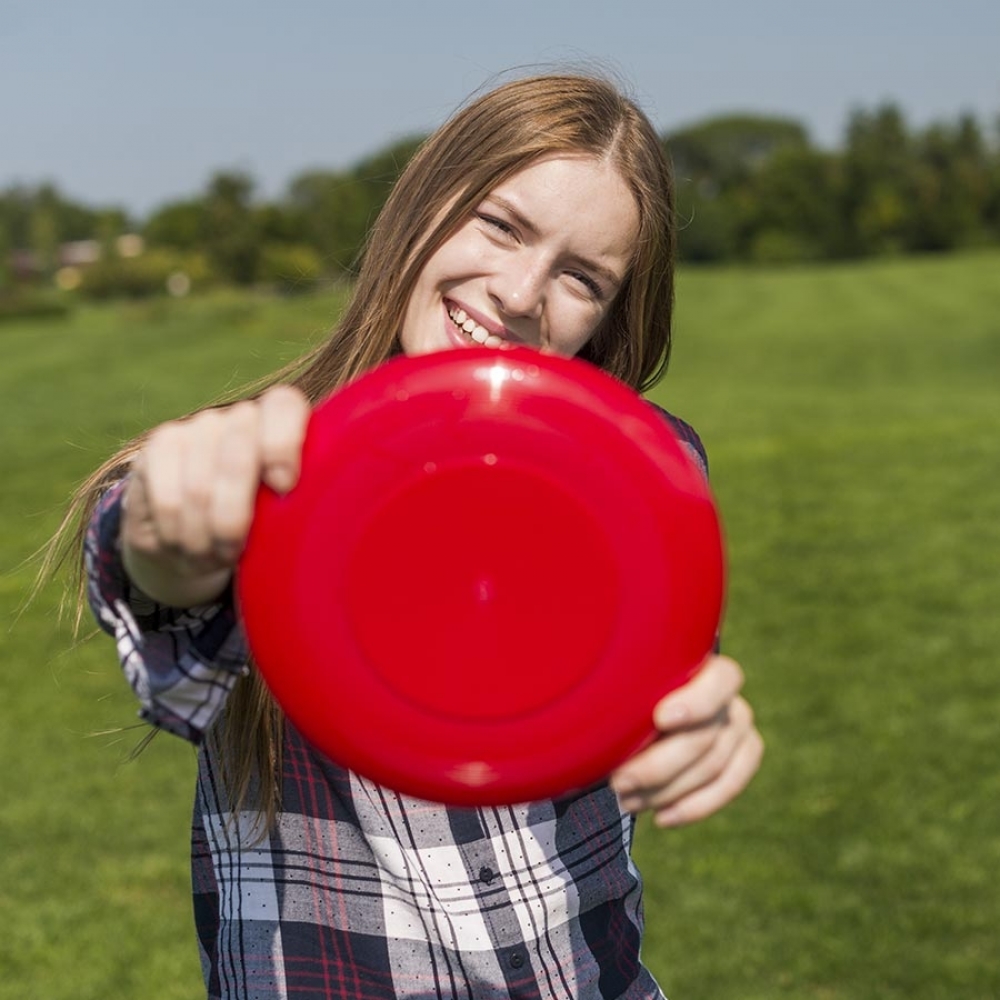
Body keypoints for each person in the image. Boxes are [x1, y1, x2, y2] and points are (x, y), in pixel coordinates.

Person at [62, 73, 763, 999]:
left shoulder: (648, 473)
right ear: (424, 206)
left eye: (581, 276)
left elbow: (660, 698)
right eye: (501, 225)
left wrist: (699, 728)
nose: (519, 292)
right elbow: (147, 560)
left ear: (611, 314)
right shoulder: (261, 469)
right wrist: (162, 533)